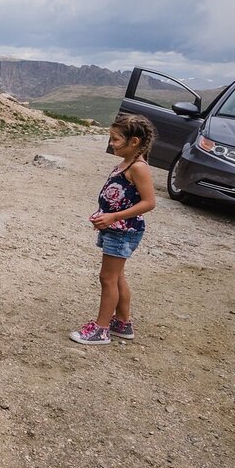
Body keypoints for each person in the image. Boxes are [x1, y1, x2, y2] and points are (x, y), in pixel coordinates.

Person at [71, 114, 157, 345]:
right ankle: (122, 322)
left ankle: (101, 328)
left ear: (135, 141)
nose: (111, 144)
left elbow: (149, 202)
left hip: (123, 230)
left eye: (116, 139)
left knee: (107, 277)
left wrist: (113, 217)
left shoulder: (139, 167)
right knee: (117, 276)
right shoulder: (125, 163)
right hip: (115, 228)